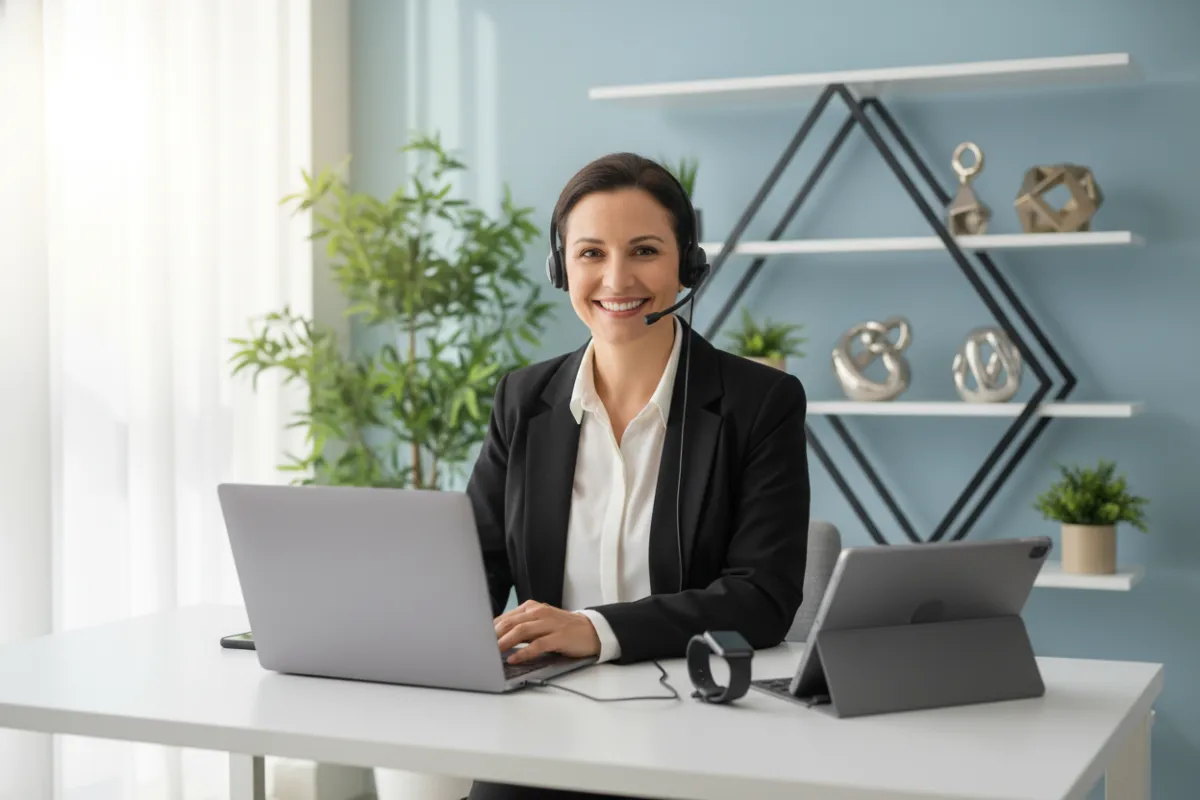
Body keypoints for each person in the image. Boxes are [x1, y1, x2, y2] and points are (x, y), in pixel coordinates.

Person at [463, 152, 811, 800]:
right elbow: (470, 572)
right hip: (541, 732)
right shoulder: (523, 400)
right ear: (560, 267)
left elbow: (762, 600)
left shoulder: (760, 403)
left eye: (644, 251)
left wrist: (595, 630)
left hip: (694, 730)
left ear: (687, 264)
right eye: (590, 253)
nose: (616, 278)